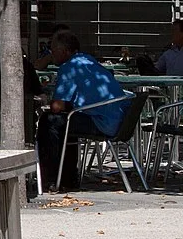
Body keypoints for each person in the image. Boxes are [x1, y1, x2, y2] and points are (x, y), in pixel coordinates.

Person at [36, 29, 129, 189]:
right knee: (65, 121)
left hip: (102, 124)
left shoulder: (69, 68)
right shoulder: (88, 61)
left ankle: (52, 178)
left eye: (53, 51)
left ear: (64, 51)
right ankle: (68, 177)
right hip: (120, 121)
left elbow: (57, 106)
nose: (52, 54)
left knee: (49, 121)